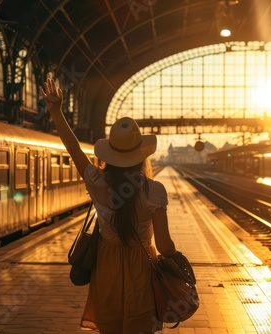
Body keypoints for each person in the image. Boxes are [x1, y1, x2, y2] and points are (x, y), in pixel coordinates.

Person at [41, 78, 176, 333]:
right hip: (142, 271)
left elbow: (73, 148)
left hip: (106, 268)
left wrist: (56, 111)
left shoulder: (97, 182)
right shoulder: (154, 191)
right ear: (141, 155)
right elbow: (166, 246)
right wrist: (176, 260)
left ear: (111, 154)